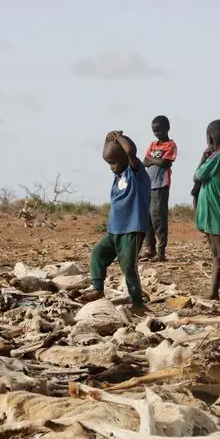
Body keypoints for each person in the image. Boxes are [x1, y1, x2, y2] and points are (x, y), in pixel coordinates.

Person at [79, 131, 151, 312]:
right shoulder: (118, 175)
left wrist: (119, 138)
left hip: (132, 229)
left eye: (113, 163)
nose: (111, 167)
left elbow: (130, 151)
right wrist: (108, 138)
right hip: (114, 230)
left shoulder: (136, 172)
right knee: (97, 254)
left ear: (125, 159)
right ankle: (97, 290)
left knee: (128, 267)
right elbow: (113, 152)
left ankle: (138, 303)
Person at [193, 119, 220, 304]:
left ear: (210, 139)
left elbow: (197, 176)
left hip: (213, 210)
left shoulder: (217, 158)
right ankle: (214, 291)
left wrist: (203, 158)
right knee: (216, 253)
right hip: (216, 209)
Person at [142, 115, 177, 261]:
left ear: (167, 129)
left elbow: (165, 163)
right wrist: (154, 160)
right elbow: (144, 161)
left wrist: (153, 160)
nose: (157, 133)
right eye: (154, 131)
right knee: (147, 218)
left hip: (161, 185)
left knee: (159, 219)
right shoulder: (152, 144)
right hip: (148, 185)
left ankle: (161, 252)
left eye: (159, 130)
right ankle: (150, 249)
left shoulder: (170, 145)